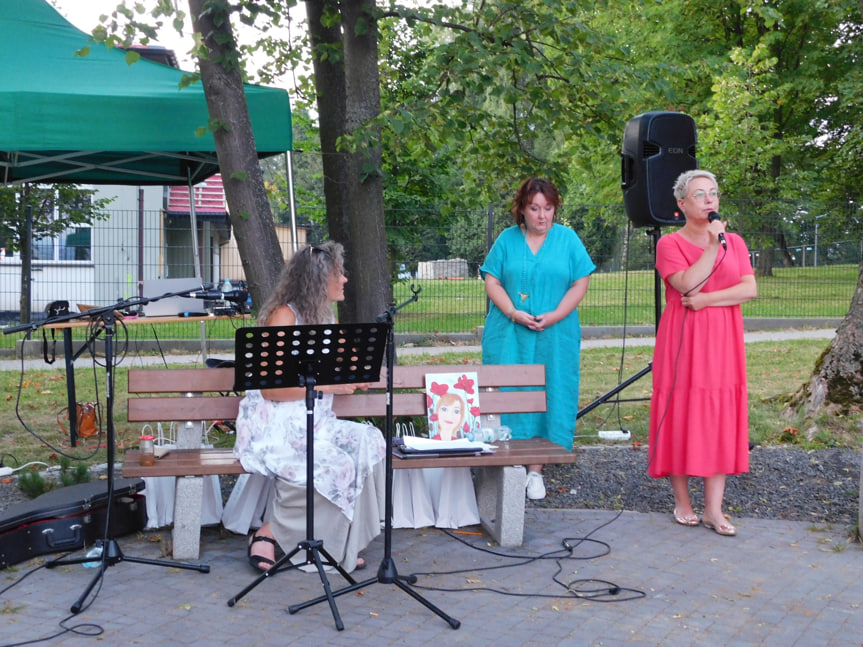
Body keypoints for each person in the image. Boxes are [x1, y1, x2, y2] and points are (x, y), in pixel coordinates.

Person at [233, 241, 386, 572]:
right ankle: (269, 532)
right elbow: (270, 390)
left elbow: (341, 367)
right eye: (338, 273)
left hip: (315, 420)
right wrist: (329, 384)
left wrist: (357, 374)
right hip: (276, 422)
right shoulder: (284, 316)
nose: (345, 279)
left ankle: (341, 544)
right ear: (318, 280)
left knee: (369, 441)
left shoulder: (323, 317)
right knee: (334, 464)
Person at [648, 169, 757, 537]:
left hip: (723, 339)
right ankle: (683, 502)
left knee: (719, 414)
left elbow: (748, 289)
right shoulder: (670, 244)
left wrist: (708, 300)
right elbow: (685, 283)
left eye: (713, 193)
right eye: (699, 194)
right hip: (683, 341)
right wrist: (712, 247)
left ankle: (714, 508)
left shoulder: (735, 242)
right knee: (680, 411)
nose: (709, 200)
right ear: (681, 204)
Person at [480, 177, 595, 500]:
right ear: (522, 209)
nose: (542, 216)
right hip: (508, 334)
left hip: (555, 335)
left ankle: (535, 470)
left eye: (548, 208)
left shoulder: (568, 240)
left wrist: (556, 314)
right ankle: (505, 465)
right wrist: (513, 312)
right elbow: (492, 281)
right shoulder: (506, 240)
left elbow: (580, 282)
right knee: (506, 392)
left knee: (552, 392)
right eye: (535, 208)